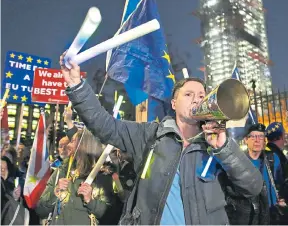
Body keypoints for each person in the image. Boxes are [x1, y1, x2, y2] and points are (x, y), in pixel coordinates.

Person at [59, 55, 263, 225]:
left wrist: (223, 147)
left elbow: (252, 186)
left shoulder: (219, 146)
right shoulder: (150, 135)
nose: (197, 99)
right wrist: (76, 86)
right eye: (189, 94)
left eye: (202, 95)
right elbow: (104, 125)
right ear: (174, 104)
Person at [36, 129, 119, 225]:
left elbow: (111, 216)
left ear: (85, 145)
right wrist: (54, 193)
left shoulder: (102, 176)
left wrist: (90, 201)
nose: (68, 145)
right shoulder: (61, 171)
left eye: (72, 141)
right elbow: (40, 210)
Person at [244, 123, 287, 224]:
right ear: (246, 139)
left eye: (261, 136)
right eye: (253, 136)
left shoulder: (272, 158)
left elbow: (280, 184)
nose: (257, 140)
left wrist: (282, 198)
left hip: (272, 214)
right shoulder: (240, 162)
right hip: (251, 216)